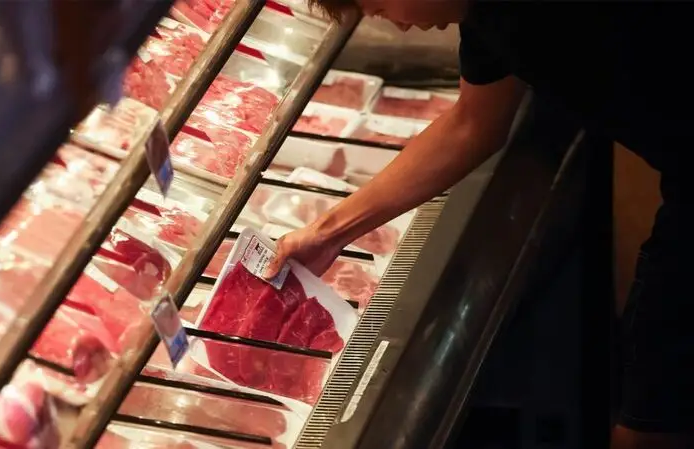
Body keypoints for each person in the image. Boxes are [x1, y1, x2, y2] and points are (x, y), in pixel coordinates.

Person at [263, 1, 693, 448]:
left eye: (378, 4)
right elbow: (473, 125)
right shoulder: (484, 17)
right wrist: (328, 232)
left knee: (650, 427)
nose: (398, 25)